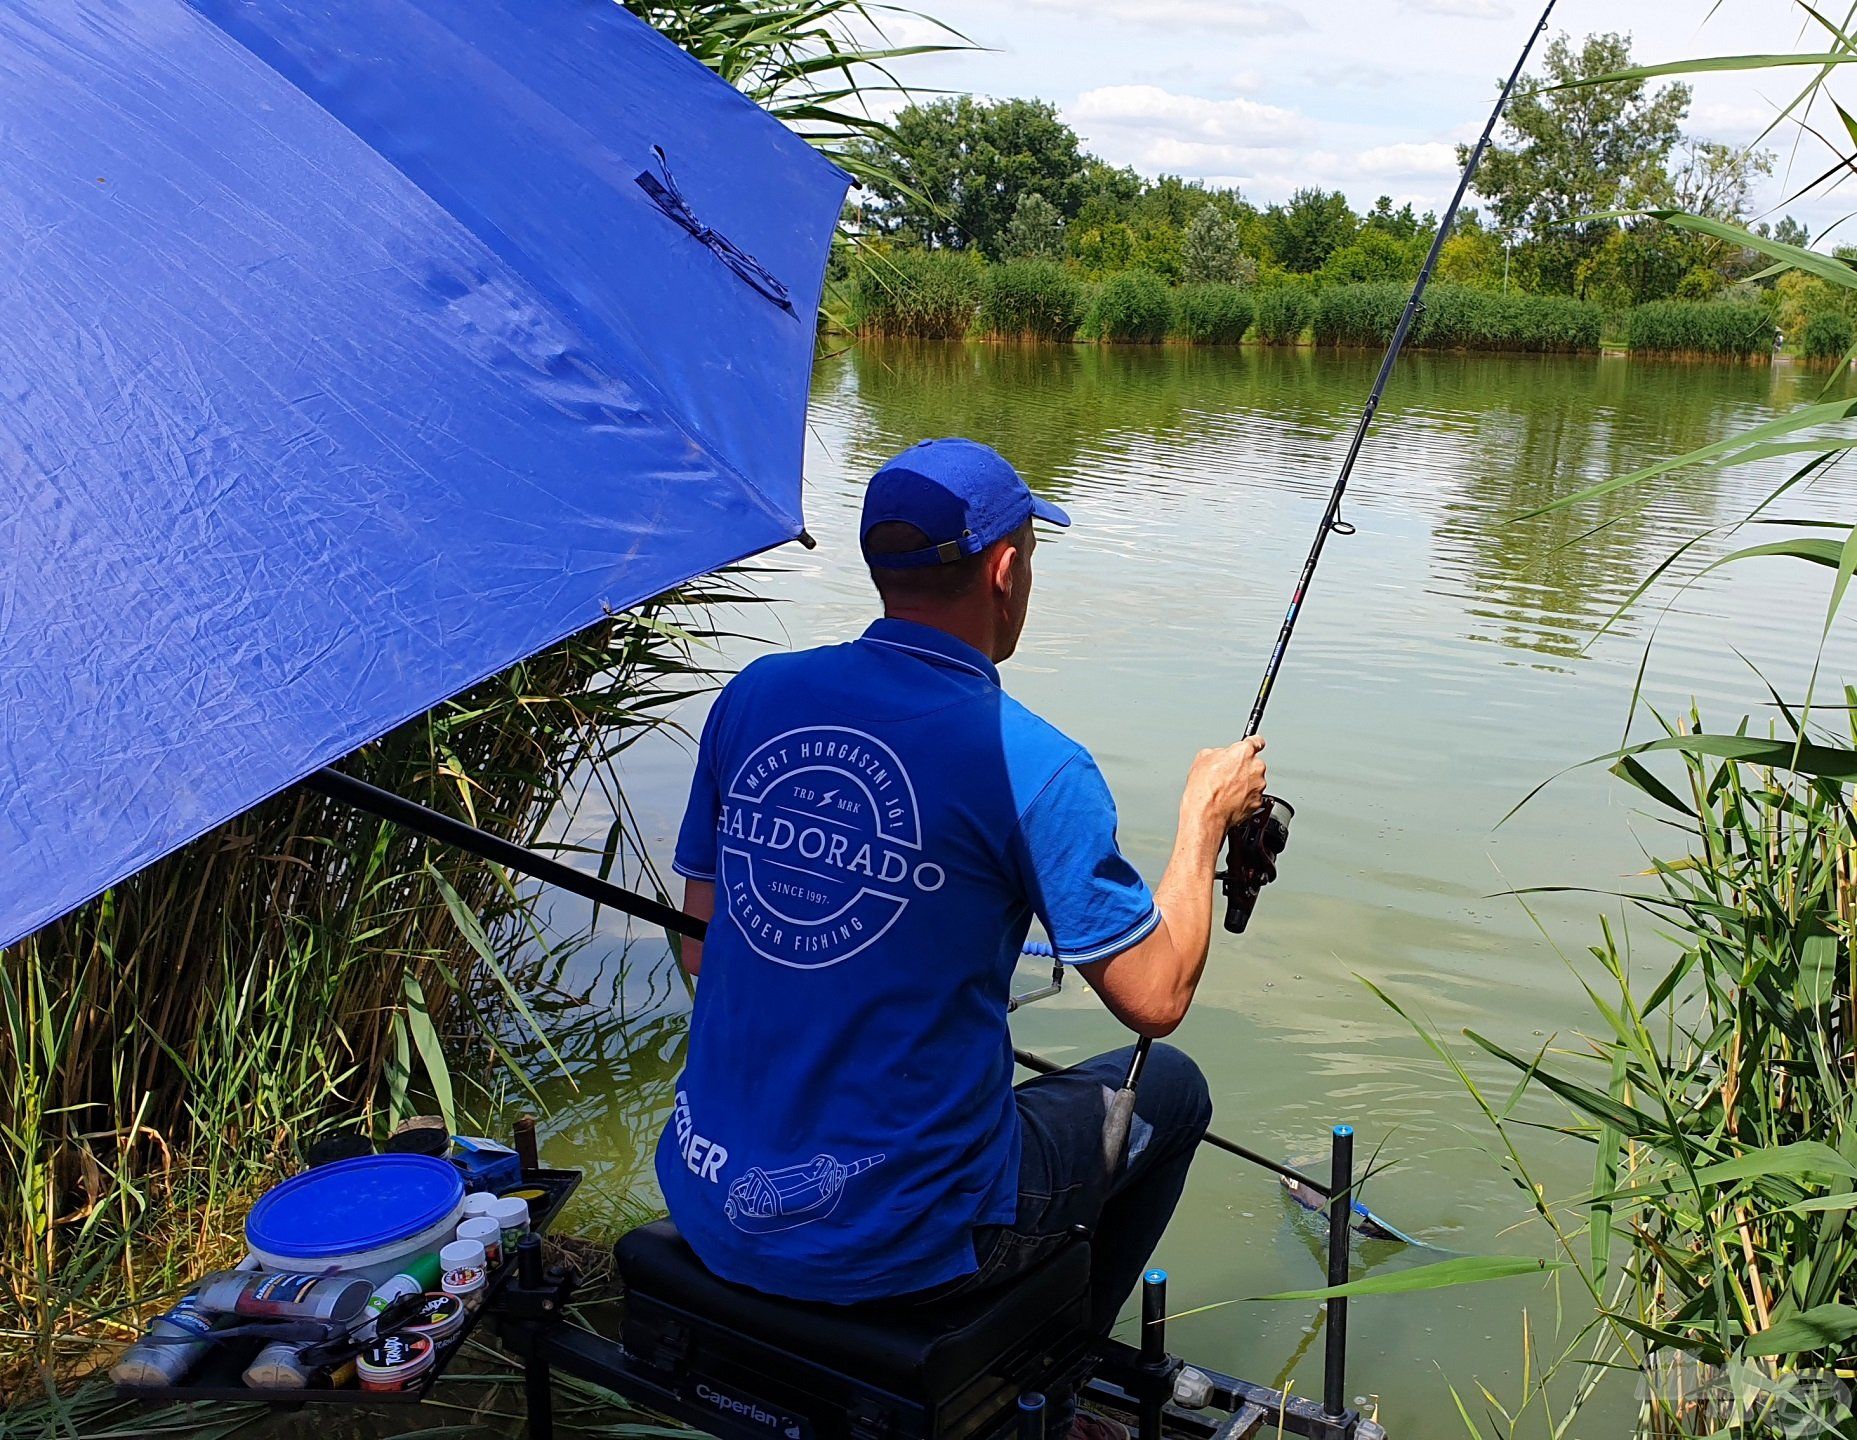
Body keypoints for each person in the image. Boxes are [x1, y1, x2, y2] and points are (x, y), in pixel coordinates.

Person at [659, 437, 1267, 1436]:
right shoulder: (1036, 766)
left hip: (706, 1189)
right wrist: (1203, 820)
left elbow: (699, 947)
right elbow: (1157, 997)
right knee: (1172, 1086)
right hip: (897, 1242)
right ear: (1006, 569)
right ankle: (1047, 1387)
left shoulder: (754, 699)